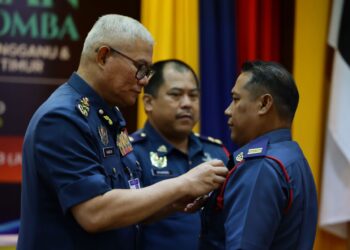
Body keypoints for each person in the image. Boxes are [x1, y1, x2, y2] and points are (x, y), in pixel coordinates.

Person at [17, 14, 228, 250]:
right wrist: (183, 184)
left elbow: (126, 203)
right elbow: (94, 213)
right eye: (140, 68)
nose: (145, 80)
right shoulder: (63, 118)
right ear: (104, 56)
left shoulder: (108, 114)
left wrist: (172, 203)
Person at [199, 61, 318, 250]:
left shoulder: (261, 166)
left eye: (236, 99)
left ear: (264, 104)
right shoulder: (293, 156)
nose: (228, 110)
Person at [130, 59, 229, 250]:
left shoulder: (217, 153)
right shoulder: (133, 153)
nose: (186, 104)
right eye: (176, 95)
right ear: (149, 102)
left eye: (193, 96)